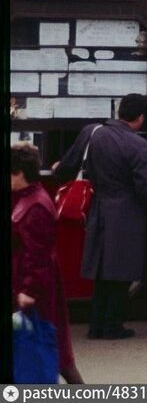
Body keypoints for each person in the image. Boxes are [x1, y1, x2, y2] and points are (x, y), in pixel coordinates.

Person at [52, 93, 147, 340]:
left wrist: (57, 168)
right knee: (120, 271)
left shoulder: (92, 131)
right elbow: (145, 186)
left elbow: (67, 166)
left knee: (101, 270)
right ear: (140, 118)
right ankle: (112, 326)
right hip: (127, 211)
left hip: (97, 207)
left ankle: (95, 324)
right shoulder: (138, 145)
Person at [11, 143, 84, 384]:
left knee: (47, 347)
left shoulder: (35, 206)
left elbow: (37, 255)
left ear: (19, 173)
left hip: (35, 290)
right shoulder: (29, 198)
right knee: (51, 350)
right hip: (32, 285)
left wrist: (28, 291)